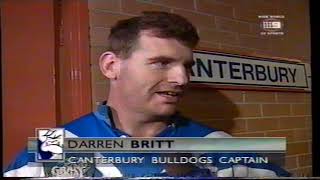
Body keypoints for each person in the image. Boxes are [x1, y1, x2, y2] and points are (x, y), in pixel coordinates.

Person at [4, 11, 290, 178]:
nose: (181, 78)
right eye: (162, 63)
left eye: (186, 66)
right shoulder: (53, 145)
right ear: (111, 66)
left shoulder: (222, 149)